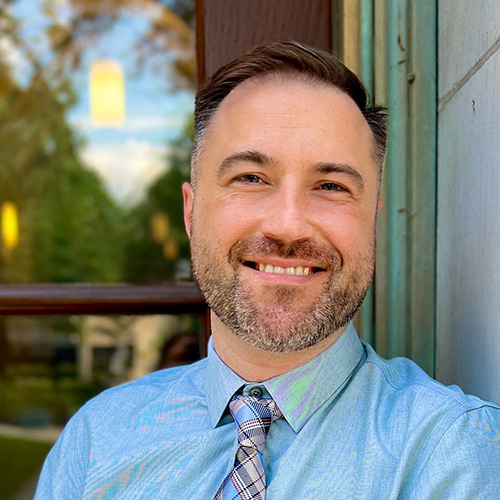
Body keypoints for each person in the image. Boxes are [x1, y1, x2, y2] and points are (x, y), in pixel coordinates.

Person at [35, 42, 500, 499]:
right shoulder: (98, 441)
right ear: (191, 213)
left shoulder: (452, 453)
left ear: (371, 220)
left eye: (331, 185)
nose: (289, 225)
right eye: (251, 178)